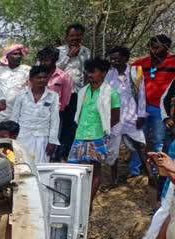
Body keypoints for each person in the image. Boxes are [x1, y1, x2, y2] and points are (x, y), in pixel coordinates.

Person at [68, 57, 120, 204]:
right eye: (88, 72)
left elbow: (115, 117)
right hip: (80, 134)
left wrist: (103, 132)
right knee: (76, 169)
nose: (90, 75)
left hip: (97, 135)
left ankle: (88, 203)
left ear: (103, 73)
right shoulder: (83, 91)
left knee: (94, 170)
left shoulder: (112, 93)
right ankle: (77, 201)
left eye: (93, 72)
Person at [131, 35, 175, 178]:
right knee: (138, 139)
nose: (152, 50)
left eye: (156, 47)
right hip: (142, 108)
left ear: (167, 47)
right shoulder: (142, 63)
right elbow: (127, 69)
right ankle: (134, 170)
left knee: (158, 141)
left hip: (161, 109)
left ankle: (158, 171)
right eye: (150, 47)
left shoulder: (173, 62)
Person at [105, 46, 148, 185]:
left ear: (125, 58)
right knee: (113, 151)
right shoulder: (109, 74)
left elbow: (141, 94)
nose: (114, 61)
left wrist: (141, 115)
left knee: (141, 147)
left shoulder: (135, 72)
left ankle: (150, 178)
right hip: (114, 119)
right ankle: (113, 181)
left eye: (116, 58)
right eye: (112, 59)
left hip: (131, 117)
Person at [9, 65, 60, 164]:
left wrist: (52, 141)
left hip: (42, 138)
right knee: (22, 166)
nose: (42, 80)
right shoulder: (22, 95)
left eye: (45, 77)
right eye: (38, 78)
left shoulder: (53, 96)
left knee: (41, 167)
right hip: (22, 136)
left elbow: (55, 119)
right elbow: (14, 118)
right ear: (31, 79)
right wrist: (12, 138)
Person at [57, 24, 91, 160]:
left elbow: (87, 71)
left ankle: (66, 155)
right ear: (66, 37)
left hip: (77, 94)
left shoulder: (86, 52)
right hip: (59, 94)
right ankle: (55, 154)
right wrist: (68, 57)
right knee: (58, 124)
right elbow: (54, 71)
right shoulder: (59, 51)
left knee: (71, 125)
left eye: (78, 36)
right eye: (72, 36)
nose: (75, 38)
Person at [0, 44, 31, 120]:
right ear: (7, 56)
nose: (18, 56)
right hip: (1, 113)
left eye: (20, 54)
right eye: (15, 54)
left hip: (21, 113)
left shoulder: (27, 70)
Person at [37, 47, 73, 114]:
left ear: (54, 60)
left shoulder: (64, 76)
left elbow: (65, 100)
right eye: (41, 60)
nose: (43, 63)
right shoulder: (36, 76)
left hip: (55, 113)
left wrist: (59, 111)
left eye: (46, 60)